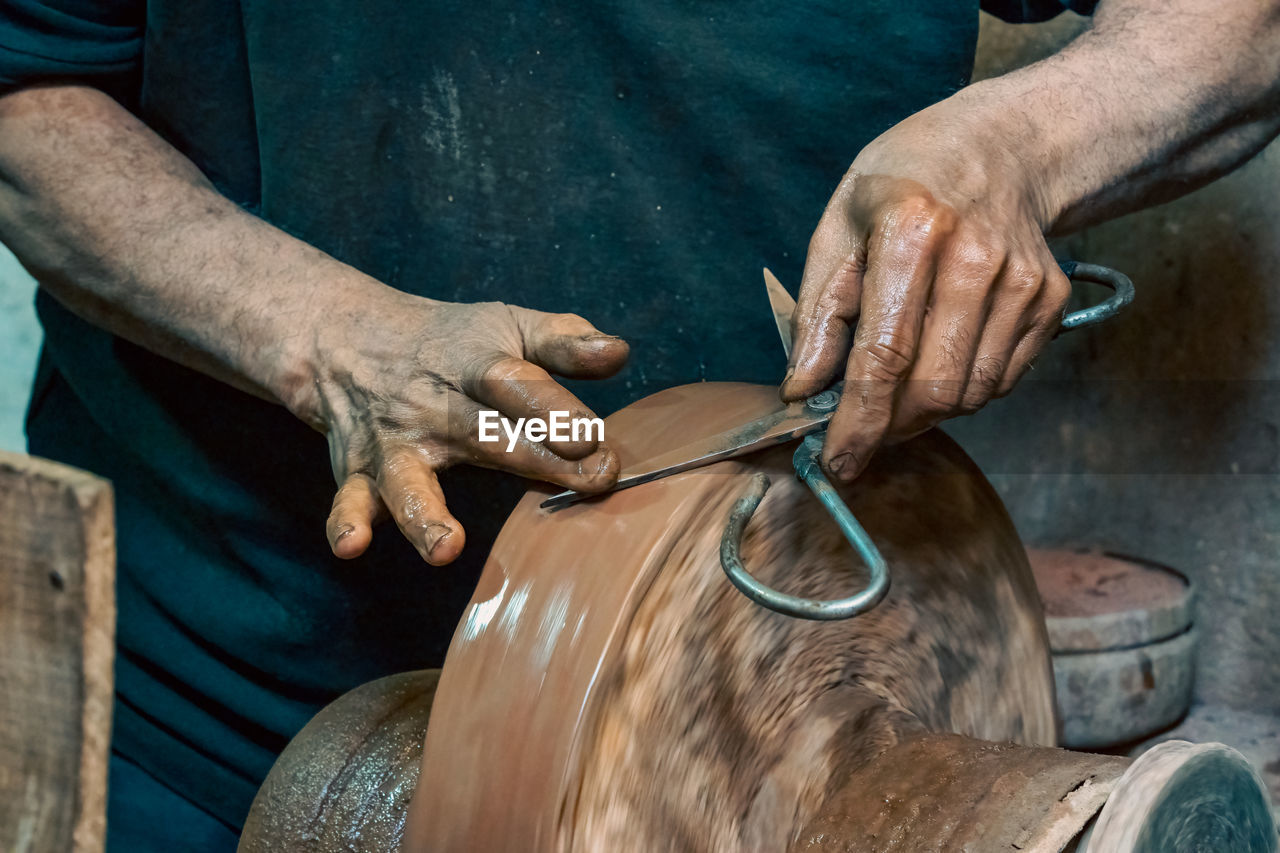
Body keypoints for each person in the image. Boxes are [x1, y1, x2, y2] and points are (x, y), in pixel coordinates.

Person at [0, 0, 1276, 848]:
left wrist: (1016, 143)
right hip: (199, 702)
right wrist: (322, 339)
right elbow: (27, 83)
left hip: (777, 687)